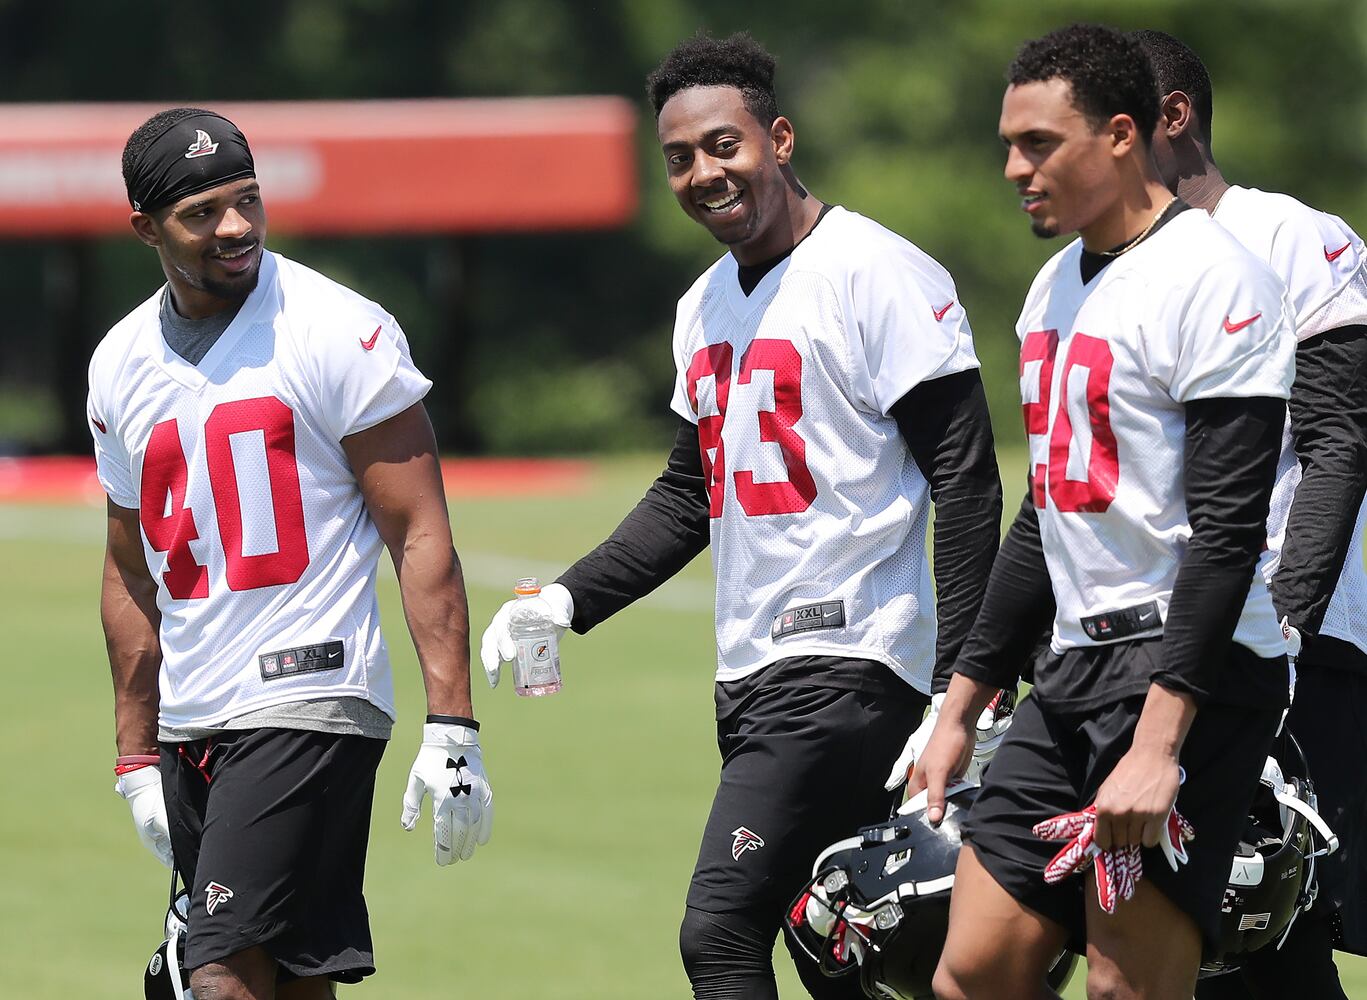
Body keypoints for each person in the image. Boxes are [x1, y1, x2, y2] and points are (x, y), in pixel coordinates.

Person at [479, 32, 1003, 1000]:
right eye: (677, 156)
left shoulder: (875, 270)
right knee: (840, 947)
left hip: (849, 666)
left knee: (717, 931)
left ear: (779, 137)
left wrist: (958, 687)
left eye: (723, 145)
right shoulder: (702, 304)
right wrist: (563, 598)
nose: (702, 173)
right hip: (753, 674)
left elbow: (965, 481)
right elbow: (690, 493)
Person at [911, 24, 1297, 999]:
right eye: (1007, 143)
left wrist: (1158, 742)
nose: (1012, 167)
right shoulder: (1048, 290)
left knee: (1126, 989)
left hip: (1188, 671)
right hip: (1074, 670)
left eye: (1037, 143)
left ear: (1120, 135)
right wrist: (959, 705)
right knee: (973, 971)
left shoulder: (1214, 278)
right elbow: (1048, 514)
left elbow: (1227, 528)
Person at [91, 108, 493, 1000]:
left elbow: (419, 528)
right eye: (203, 213)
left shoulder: (335, 328)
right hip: (196, 714)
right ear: (145, 228)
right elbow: (129, 565)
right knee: (296, 980)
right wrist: (133, 755)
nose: (235, 227)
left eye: (247, 200)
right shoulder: (118, 361)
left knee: (218, 976)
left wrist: (453, 725)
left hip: (310, 692)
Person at [1133, 29, 1367, 998]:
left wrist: (1285, 620)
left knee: (1289, 912)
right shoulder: (1096, 270)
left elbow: (1338, 439)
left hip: (1295, 645)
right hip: (1168, 651)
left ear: (1170, 117)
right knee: (1225, 938)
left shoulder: (1289, 236)